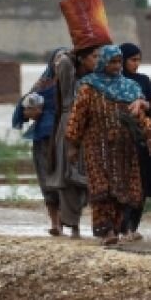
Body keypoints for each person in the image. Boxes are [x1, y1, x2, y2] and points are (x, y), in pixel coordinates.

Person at [65, 45, 151, 245]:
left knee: (121, 189)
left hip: (125, 148)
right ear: (102, 62)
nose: (116, 66)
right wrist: (73, 145)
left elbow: (141, 117)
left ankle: (115, 228)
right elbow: (77, 117)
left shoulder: (131, 88)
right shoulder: (88, 87)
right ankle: (105, 231)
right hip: (96, 146)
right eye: (111, 62)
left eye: (118, 62)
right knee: (101, 188)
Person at [46, 45, 100, 238]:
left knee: (90, 179)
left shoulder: (96, 80)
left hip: (90, 130)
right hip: (69, 128)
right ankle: (73, 226)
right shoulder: (69, 80)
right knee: (69, 179)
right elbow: (64, 64)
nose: (97, 60)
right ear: (82, 58)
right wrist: (74, 52)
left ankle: (99, 225)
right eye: (93, 56)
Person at [13, 48, 67, 235]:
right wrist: (31, 110)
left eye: (65, 59)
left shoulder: (76, 83)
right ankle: (55, 223)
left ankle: (70, 221)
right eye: (57, 59)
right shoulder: (43, 84)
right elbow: (24, 106)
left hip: (67, 138)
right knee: (46, 180)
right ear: (51, 63)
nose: (60, 63)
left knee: (67, 180)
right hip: (43, 140)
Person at [119, 42, 151, 241]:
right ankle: (122, 227)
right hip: (121, 139)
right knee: (124, 184)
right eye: (132, 60)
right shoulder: (114, 81)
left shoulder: (143, 80)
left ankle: (133, 226)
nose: (136, 64)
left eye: (139, 60)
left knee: (143, 183)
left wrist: (145, 104)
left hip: (142, 138)